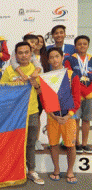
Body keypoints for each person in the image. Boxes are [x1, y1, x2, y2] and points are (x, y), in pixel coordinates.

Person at [0, 42, 44, 185]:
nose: (24, 55)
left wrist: (36, 84)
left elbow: (42, 92)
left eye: (26, 52)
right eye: (20, 53)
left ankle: (31, 170)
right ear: (16, 55)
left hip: (32, 111)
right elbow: (1, 91)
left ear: (31, 53)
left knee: (31, 143)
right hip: (14, 113)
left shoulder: (37, 70)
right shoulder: (9, 71)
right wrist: (15, 84)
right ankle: (12, 171)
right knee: (13, 142)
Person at [42, 47, 80, 184]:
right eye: (51, 57)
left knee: (71, 145)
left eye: (57, 56)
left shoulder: (72, 75)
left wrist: (68, 115)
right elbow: (45, 100)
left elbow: (76, 98)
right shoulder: (46, 76)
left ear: (62, 57)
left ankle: (70, 171)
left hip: (69, 118)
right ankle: (56, 170)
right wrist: (53, 116)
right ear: (48, 59)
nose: (54, 60)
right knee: (53, 144)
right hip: (53, 117)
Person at [64, 35, 92, 154]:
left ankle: (85, 144)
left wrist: (88, 91)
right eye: (79, 44)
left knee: (86, 120)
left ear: (88, 45)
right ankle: (76, 143)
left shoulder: (91, 58)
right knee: (75, 120)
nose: (82, 46)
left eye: (85, 44)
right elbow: (69, 77)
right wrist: (81, 90)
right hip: (76, 95)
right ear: (75, 46)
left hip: (90, 94)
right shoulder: (69, 59)